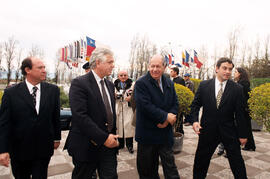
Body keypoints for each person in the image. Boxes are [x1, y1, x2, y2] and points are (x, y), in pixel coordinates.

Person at [0, 57, 61, 179]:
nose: (44, 70)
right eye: (40, 68)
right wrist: (3, 150)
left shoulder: (53, 90)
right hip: (19, 150)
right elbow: (4, 123)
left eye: (44, 67)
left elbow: (55, 116)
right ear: (27, 70)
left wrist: (56, 138)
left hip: (43, 149)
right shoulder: (11, 93)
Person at [64, 48, 119, 179]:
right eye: (110, 62)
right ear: (98, 62)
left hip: (108, 147)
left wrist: (111, 138)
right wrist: (103, 138)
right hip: (86, 146)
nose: (113, 65)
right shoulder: (79, 83)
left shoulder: (110, 85)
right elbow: (80, 116)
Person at [190, 57, 248, 179]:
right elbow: (195, 105)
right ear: (217, 69)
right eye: (224, 68)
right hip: (207, 130)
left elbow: (240, 114)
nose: (227, 72)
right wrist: (195, 121)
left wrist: (243, 134)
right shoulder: (204, 86)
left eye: (230, 69)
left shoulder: (237, 89)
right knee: (201, 161)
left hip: (229, 131)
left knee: (237, 162)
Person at [135, 54, 180, 179]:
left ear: (164, 67)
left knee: (171, 168)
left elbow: (175, 103)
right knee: (147, 170)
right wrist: (165, 117)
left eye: (158, 66)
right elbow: (145, 106)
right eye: (152, 66)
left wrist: (167, 120)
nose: (155, 69)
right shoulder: (141, 83)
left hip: (165, 134)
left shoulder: (168, 82)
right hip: (147, 135)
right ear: (148, 66)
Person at [235, 67, 256, 151]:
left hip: (243, 110)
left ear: (240, 73)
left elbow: (244, 98)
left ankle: (236, 148)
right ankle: (250, 146)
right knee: (247, 128)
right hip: (245, 110)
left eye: (236, 72)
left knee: (242, 128)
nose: (234, 73)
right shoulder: (243, 83)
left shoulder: (242, 84)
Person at [114, 70, 135, 154]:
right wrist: (114, 96)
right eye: (121, 75)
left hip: (128, 108)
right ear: (118, 76)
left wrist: (131, 98)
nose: (123, 77)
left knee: (128, 126)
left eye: (125, 75)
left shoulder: (132, 85)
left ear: (128, 76)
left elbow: (136, 95)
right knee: (119, 126)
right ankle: (121, 144)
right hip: (119, 107)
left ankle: (130, 145)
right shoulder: (114, 85)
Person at [170, 67, 185, 134]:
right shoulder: (172, 80)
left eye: (171, 71)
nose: (170, 73)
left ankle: (180, 132)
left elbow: (183, 91)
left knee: (179, 119)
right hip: (173, 102)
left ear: (175, 72)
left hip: (179, 103)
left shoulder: (181, 80)